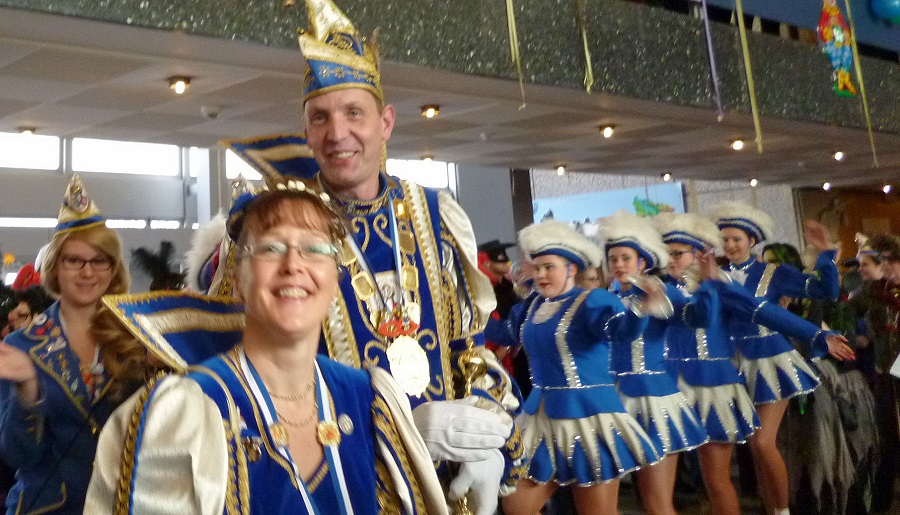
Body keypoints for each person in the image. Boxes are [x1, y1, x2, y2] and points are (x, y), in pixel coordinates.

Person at [86, 180, 446, 514]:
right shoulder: (186, 411)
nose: (293, 265)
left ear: (335, 279)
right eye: (271, 248)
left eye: (314, 248)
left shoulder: (370, 399)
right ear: (238, 281)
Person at [297, 1, 524, 511]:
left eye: (354, 113)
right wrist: (400, 430)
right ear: (306, 131)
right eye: (320, 118)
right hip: (343, 488)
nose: (337, 133)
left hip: (446, 488)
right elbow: (266, 383)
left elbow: (471, 350)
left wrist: (487, 433)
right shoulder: (285, 226)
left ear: (386, 122)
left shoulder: (437, 215)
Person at [493, 220, 664, 514]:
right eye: (537, 268)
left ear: (571, 269)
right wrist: (461, 311)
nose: (541, 274)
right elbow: (503, 333)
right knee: (516, 506)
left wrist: (640, 310)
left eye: (549, 267)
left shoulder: (592, 301)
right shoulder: (532, 306)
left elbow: (617, 330)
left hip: (589, 417)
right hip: (540, 418)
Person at [0, 174, 129, 514]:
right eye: (74, 260)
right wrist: (29, 391)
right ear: (55, 267)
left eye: (99, 260)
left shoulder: (137, 341)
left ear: (112, 268)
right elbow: (18, 455)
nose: (87, 272)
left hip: (120, 504)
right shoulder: (19, 346)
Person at [709, 201, 848, 515]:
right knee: (752, 449)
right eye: (725, 239)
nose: (730, 245)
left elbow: (825, 290)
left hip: (771, 359)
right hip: (731, 364)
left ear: (752, 241)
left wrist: (826, 252)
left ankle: (783, 510)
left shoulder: (773, 272)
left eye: (736, 239)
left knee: (762, 442)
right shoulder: (715, 277)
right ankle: (770, 507)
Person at [601, 210, 710, 515]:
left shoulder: (661, 292)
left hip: (653, 400)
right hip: (610, 401)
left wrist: (707, 286)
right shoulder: (603, 299)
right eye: (613, 258)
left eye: (626, 258)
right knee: (613, 504)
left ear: (642, 262)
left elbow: (698, 318)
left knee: (657, 503)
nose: (619, 264)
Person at [653, 212, 759, 515]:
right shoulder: (659, 289)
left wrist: (816, 334)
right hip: (669, 390)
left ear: (699, 254)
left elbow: (762, 312)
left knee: (716, 480)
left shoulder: (721, 285)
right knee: (660, 492)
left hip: (714, 387)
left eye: (678, 253)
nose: (671, 260)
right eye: (667, 254)